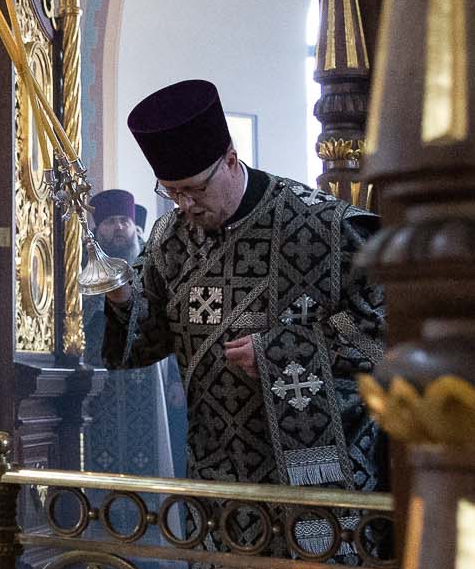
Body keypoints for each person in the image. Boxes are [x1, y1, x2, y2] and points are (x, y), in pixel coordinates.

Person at [102, 78, 385, 489]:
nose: (185, 206)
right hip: (216, 470)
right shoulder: (169, 239)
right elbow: (144, 342)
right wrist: (121, 297)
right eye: (172, 192)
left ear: (231, 160)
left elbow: (384, 331)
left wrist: (281, 351)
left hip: (318, 473)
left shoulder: (324, 225)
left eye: (195, 189)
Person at [81, 188, 175, 477]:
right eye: (110, 222)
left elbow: (173, 322)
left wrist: (176, 379)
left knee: (150, 448)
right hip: (99, 371)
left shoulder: (154, 265)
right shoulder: (83, 266)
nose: (119, 228)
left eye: (124, 221)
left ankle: (151, 506)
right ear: (98, 229)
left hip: (147, 371)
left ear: (134, 226)